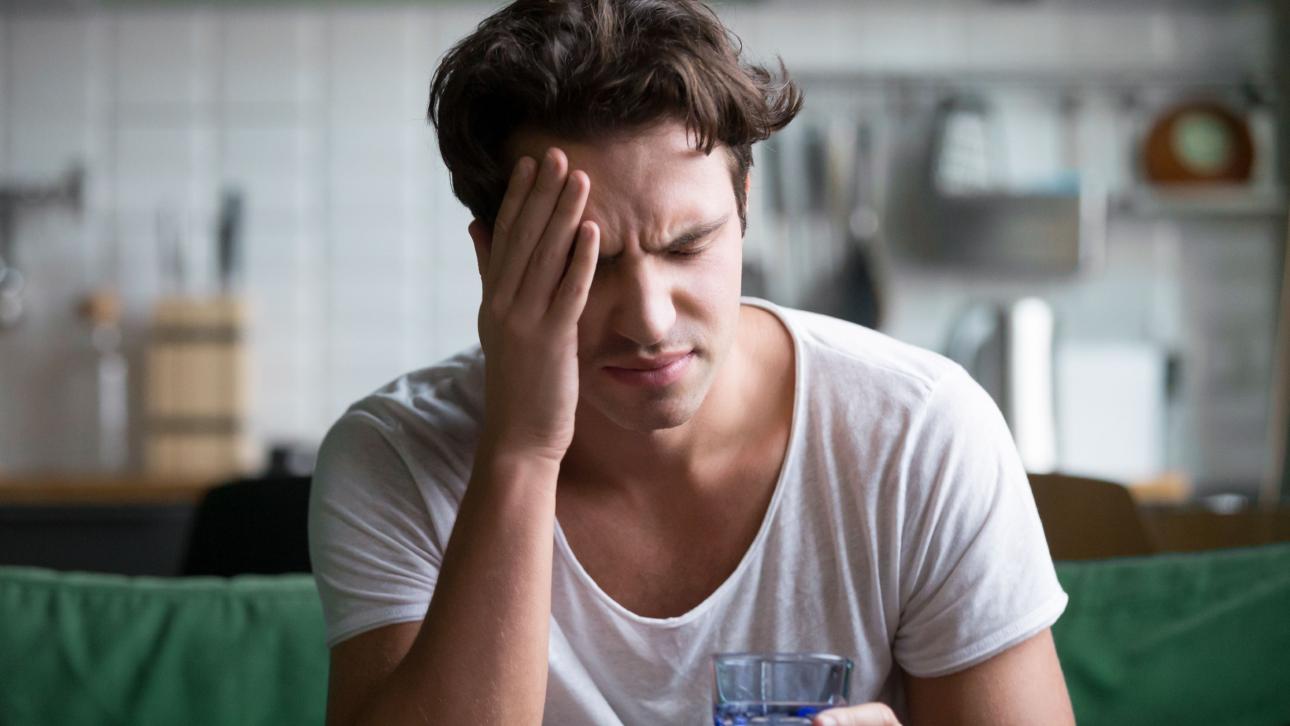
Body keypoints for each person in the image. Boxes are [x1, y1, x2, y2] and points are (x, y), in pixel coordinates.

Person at [307, 1, 1075, 724]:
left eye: (687, 246)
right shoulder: (396, 457)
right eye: (588, 260)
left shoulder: (920, 434)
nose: (648, 316)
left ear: (744, 202)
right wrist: (521, 449)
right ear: (494, 259)